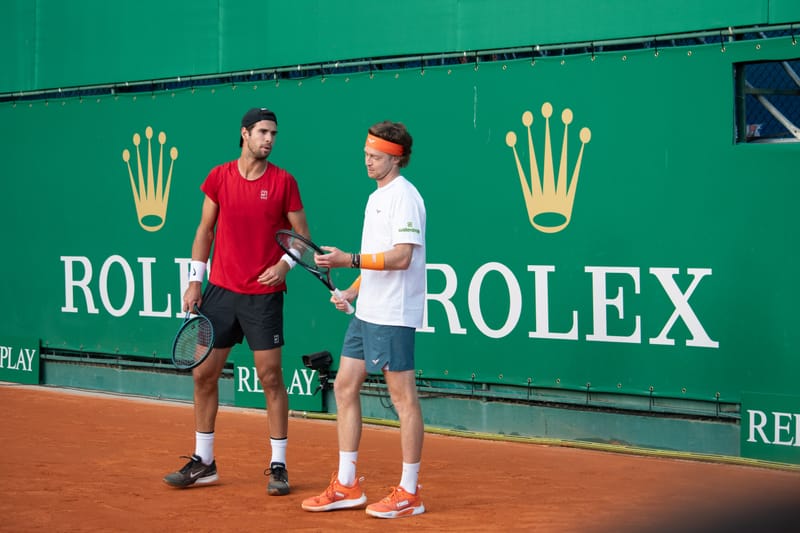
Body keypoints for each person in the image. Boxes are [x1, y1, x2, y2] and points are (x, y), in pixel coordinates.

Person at [163, 107, 309, 496]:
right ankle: (204, 461)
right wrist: (195, 283)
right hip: (221, 293)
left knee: (271, 378)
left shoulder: (284, 182)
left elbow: (301, 236)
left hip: (263, 296)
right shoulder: (219, 176)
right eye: (262, 132)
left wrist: (283, 266)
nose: (269, 140)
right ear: (244, 134)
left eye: (274, 134)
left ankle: (278, 465)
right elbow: (204, 230)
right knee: (203, 375)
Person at [301, 120, 427, 519]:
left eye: (374, 157)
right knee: (344, 385)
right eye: (366, 155)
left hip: (392, 313)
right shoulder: (376, 197)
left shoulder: (404, 197)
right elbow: (377, 256)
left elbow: (402, 256)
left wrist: (347, 259)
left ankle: (409, 492)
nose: (367, 162)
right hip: (369, 310)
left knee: (402, 398)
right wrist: (354, 289)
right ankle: (348, 483)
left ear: (395, 158)